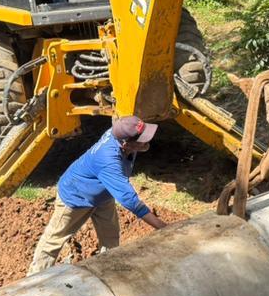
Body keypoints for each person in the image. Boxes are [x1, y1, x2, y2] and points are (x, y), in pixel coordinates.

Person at [27, 115, 168, 275]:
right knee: (53, 241)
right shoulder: (108, 160)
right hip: (75, 196)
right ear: (125, 143)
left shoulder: (121, 136)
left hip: (103, 195)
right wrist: (162, 227)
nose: (147, 141)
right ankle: (33, 280)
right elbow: (130, 200)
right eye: (143, 139)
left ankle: (108, 273)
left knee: (110, 236)